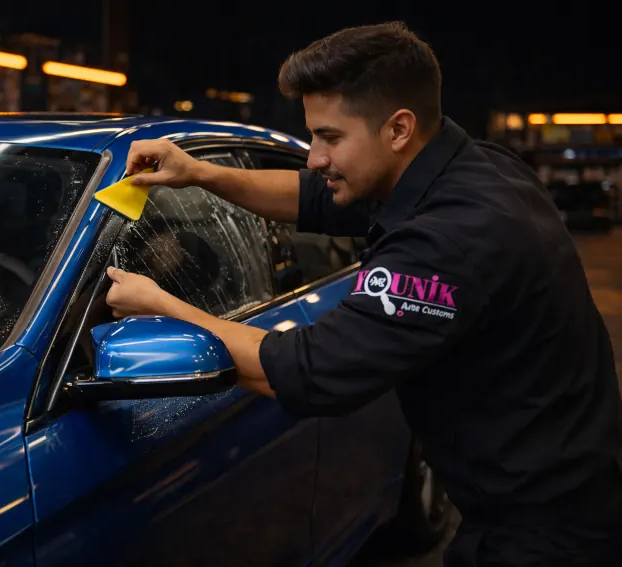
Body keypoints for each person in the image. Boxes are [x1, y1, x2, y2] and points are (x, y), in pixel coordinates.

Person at [105, 21, 622, 566]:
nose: (314, 157)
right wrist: (199, 173)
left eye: (330, 137)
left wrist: (160, 306)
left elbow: (312, 372)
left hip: (546, 536)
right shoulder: (470, 166)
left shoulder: (452, 237)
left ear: (398, 128)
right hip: (557, 496)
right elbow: (313, 198)